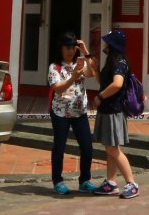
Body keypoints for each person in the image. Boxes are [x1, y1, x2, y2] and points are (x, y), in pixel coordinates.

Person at [91, 29, 139, 199]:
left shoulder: (119, 62)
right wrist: (96, 70)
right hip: (107, 110)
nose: (105, 45)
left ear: (112, 45)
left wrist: (99, 96)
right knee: (110, 149)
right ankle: (111, 183)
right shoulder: (112, 62)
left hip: (113, 111)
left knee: (114, 150)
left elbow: (117, 84)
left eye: (107, 43)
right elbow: (103, 82)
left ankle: (131, 183)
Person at [48, 33, 97, 195]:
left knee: (87, 147)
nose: (70, 51)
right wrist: (72, 77)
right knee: (59, 147)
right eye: (67, 48)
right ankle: (58, 181)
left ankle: (84, 180)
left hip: (79, 112)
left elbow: (91, 73)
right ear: (61, 49)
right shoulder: (55, 67)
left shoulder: (80, 63)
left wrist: (85, 50)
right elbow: (58, 88)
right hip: (60, 113)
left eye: (73, 48)